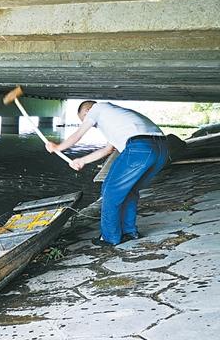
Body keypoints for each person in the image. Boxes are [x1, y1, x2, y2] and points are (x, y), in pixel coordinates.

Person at [46, 101, 169, 245]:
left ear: (87, 112)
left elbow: (78, 134)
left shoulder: (98, 108)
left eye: (84, 120)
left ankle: (110, 238)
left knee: (109, 190)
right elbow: (107, 150)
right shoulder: (116, 118)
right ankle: (129, 233)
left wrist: (57, 147)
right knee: (130, 190)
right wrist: (82, 160)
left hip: (139, 147)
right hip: (162, 149)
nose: (91, 125)